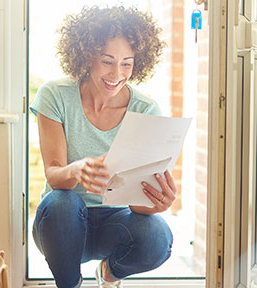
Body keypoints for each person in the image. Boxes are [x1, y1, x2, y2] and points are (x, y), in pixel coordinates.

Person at [29, 5, 176, 288]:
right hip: (62, 224)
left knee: (159, 237)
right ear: (87, 56)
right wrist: (77, 169)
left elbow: (138, 206)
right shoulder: (55, 96)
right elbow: (54, 174)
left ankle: (109, 275)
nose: (116, 74)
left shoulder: (146, 110)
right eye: (107, 61)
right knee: (62, 200)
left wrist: (158, 203)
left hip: (116, 222)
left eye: (127, 63)